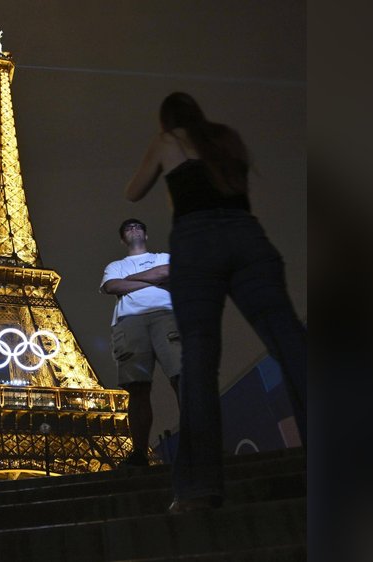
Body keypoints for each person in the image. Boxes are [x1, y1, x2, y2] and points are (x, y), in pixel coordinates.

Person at [123, 92, 307, 513]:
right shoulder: (227, 139)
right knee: (291, 344)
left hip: (196, 241)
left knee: (199, 362)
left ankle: (197, 488)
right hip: (248, 236)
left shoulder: (168, 140)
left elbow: (133, 192)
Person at [100, 218, 182, 467]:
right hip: (129, 322)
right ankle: (139, 452)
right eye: (127, 228)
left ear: (146, 235)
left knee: (183, 379)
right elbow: (112, 286)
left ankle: (200, 442)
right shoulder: (115, 265)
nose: (133, 228)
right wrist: (152, 279)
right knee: (137, 389)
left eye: (138, 226)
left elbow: (167, 272)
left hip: (165, 317)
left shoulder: (163, 257)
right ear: (122, 239)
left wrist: (131, 281)